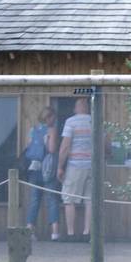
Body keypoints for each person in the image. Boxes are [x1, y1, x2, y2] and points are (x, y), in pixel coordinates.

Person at [56, 96, 95, 240]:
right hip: (92, 166)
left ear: (77, 108)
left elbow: (65, 146)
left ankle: (71, 233)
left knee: (69, 199)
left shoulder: (70, 122)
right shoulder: (95, 120)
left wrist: (60, 166)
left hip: (75, 165)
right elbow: (105, 144)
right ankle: (87, 233)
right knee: (89, 200)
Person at [23, 106, 61, 240]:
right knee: (52, 198)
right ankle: (55, 232)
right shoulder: (51, 130)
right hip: (47, 169)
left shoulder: (33, 130)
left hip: (34, 167)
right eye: (53, 118)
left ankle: (30, 230)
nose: (55, 120)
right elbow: (51, 149)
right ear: (49, 118)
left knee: (34, 199)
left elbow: (28, 147)